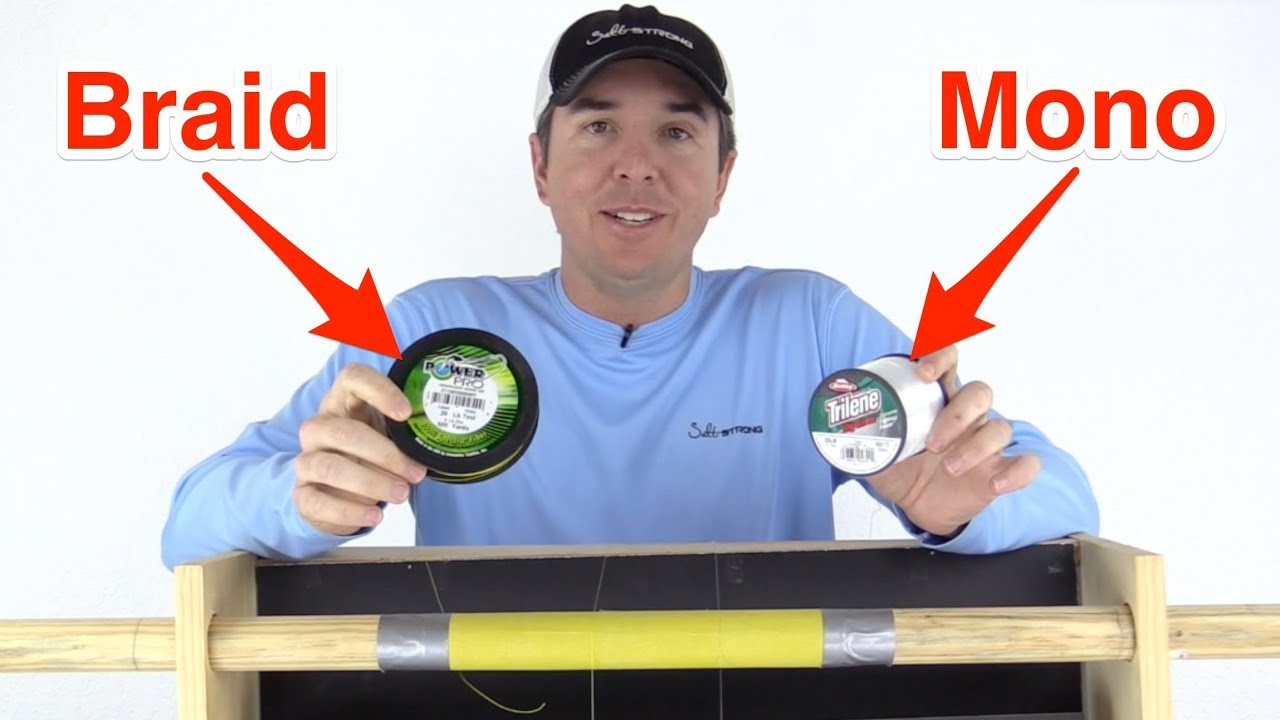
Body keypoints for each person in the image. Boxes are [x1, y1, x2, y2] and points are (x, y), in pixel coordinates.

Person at [160, 4, 1099, 571]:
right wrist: (299, 500)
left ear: (724, 175)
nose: (637, 166)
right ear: (539, 165)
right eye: (599, 127)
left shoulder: (809, 322)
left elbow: (1067, 499)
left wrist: (962, 510)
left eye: (678, 132)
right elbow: (190, 524)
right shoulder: (430, 329)